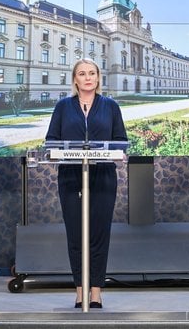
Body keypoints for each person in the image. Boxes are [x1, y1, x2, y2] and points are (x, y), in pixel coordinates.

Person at [45, 58, 127, 309]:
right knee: (76, 235)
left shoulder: (110, 106)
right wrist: (58, 152)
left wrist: (117, 152)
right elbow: (51, 140)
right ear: (75, 79)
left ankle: (96, 291)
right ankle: (79, 290)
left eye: (92, 73)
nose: (88, 77)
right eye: (82, 73)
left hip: (102, 176)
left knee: (99, 235)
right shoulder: (63, 107)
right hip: (71, 176)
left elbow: (121, 141)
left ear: (99, 78)